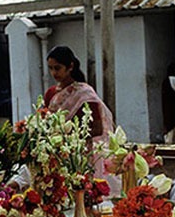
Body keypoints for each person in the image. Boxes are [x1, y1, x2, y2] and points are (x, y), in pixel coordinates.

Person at [43, 45, 119, 195]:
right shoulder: (50, 94)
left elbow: (98, 129)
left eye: (57, 68)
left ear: (70, 66)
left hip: (82, 155)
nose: (53, 73)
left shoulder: (84, 93)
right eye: (50, 68)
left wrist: (67, 134)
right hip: (57, 154)